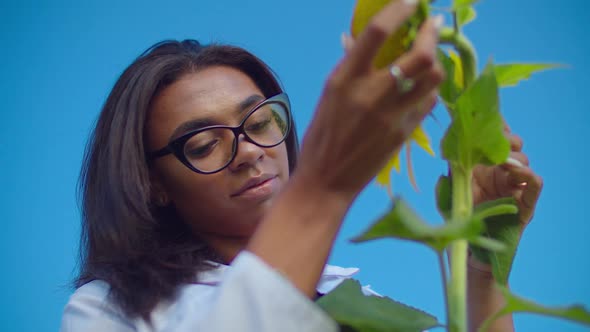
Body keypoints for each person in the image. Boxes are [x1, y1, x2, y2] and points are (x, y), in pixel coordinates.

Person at [60, 1, 543, 331]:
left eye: (262, 121)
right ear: (153, 183)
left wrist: (482, 265)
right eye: (205, 144)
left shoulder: (359, 301)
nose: (250, 151)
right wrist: (322, 189)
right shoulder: (108, 312)